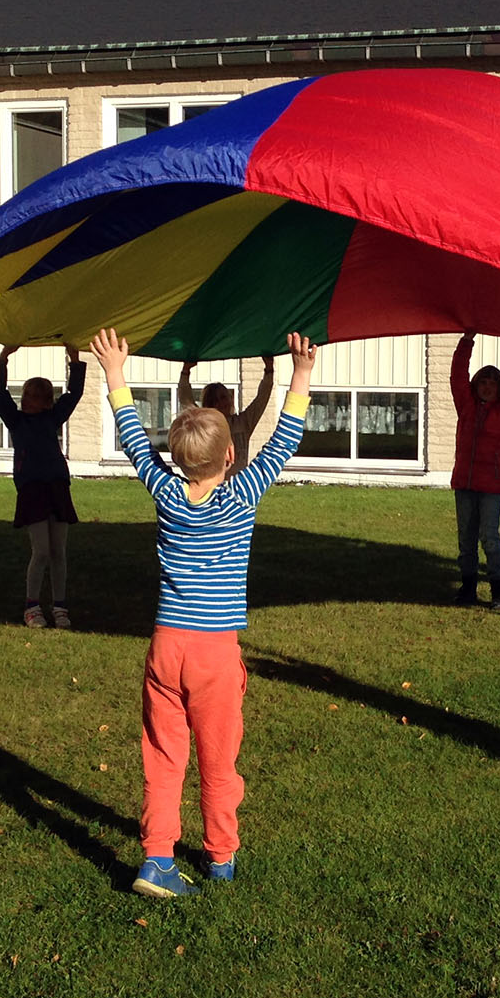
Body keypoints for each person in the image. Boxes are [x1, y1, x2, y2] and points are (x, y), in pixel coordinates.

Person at [93, 326, 316, 899]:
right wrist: (301, 374)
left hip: (166, 647)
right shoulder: (243, 494)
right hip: (214, 653)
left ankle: (157, 858)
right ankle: (220, 856)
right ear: (232, 455)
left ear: (175, 458)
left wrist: (115, 373)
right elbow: (285, 438)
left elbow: (132, 439)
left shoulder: (165, 492)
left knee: (164, 756)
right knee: (219, 760)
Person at [0, 344, 86, 627]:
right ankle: (32, 606)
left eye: (32, 396)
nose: (25, 400)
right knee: (42, 551)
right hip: (32, 489)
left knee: (59, 551)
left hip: (57, 486)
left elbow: (74, 394)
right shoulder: (16, 420)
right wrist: (3, 358)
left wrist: (75, 360)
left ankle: (60, 606)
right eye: (25, 395)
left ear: (45, 400)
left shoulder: (52, 418)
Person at [449, 333, 500, 609]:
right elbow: (457, 374)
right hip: (464, 484)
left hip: (491, 487)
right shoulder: (466, 407)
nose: (487, 387)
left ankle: (498, 591)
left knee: (489, 538)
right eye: (483, 382)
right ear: (475, 386)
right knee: (466, 541)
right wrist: (467, 339)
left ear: (499, 388)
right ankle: (468, 588)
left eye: (493, 383)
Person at [177, 356, 277, 474]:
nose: (220, 403)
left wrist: (269, 369)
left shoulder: (243, 422)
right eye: (214, 400)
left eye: (223, 397)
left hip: (238, 486)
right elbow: (186, 401)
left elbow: (262, 399)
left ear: (230, 399)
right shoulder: (204, 423)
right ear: (208, 403)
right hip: (211, 486)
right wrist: (185, 371)